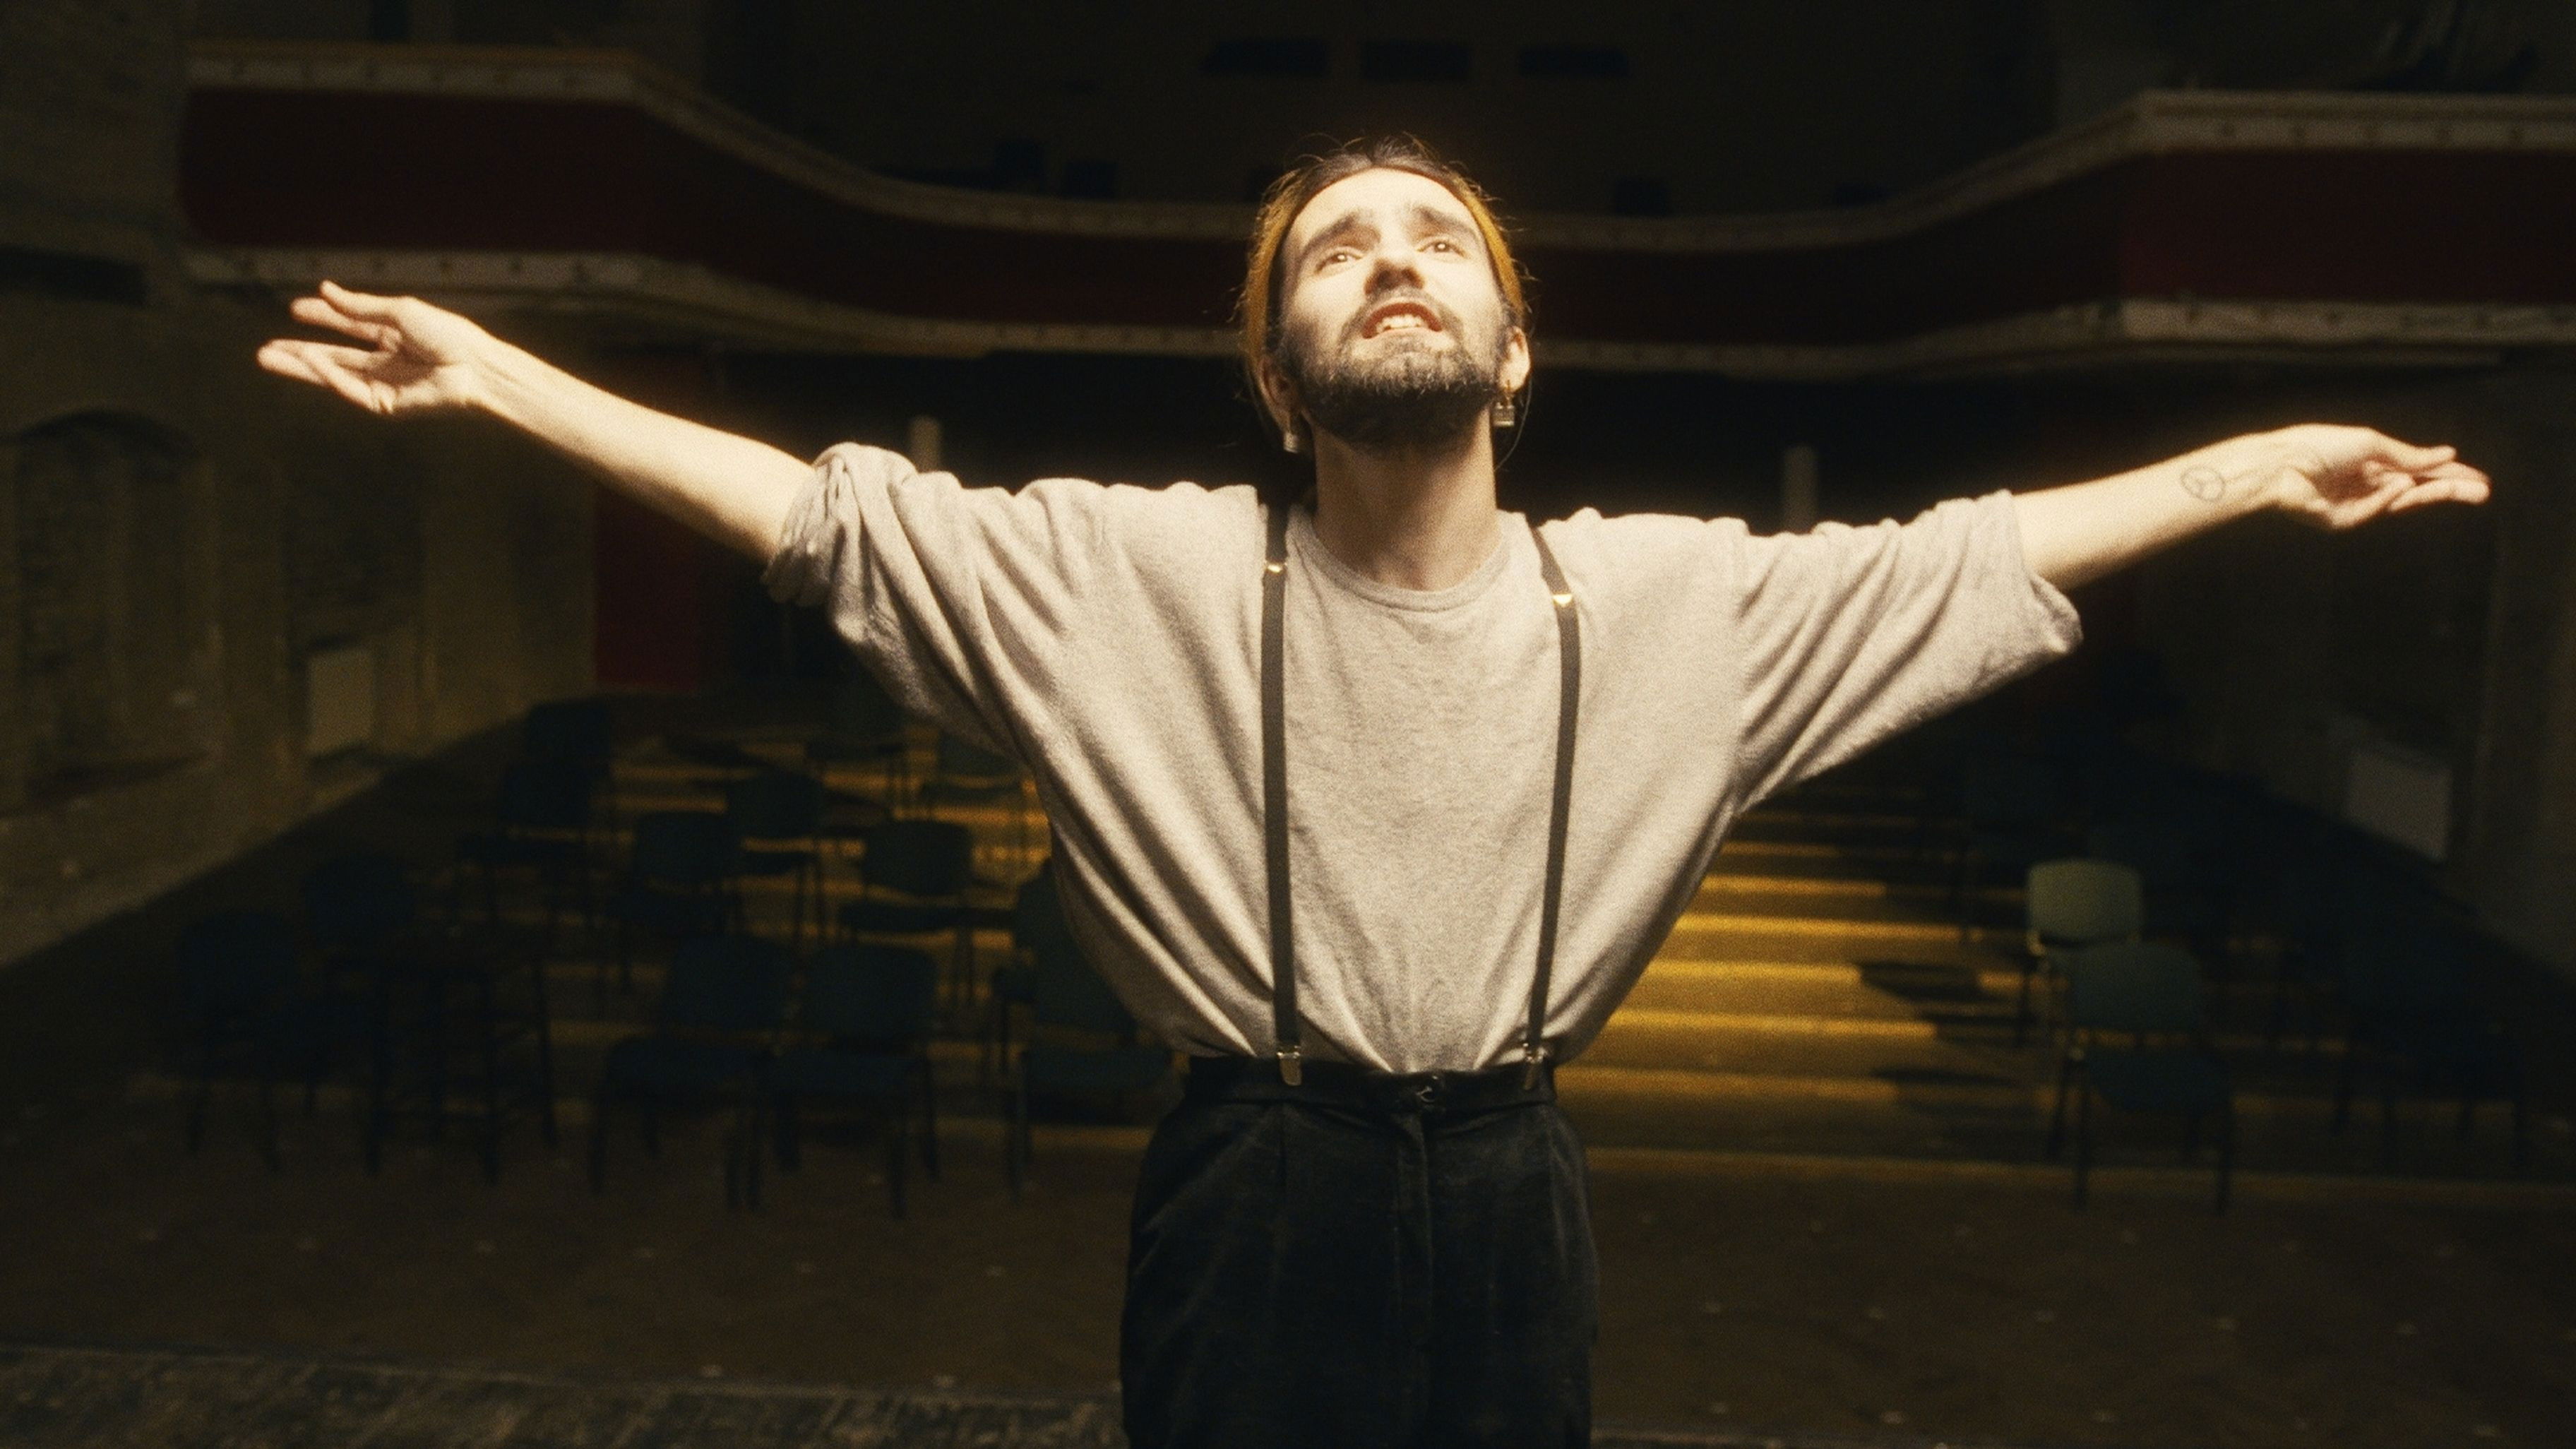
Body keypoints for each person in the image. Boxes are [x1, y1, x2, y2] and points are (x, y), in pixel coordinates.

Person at [258, 135, 2488, 1447]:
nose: (1392, 256)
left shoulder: (1673, 603)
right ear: (1276, 376)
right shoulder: (1126, 574)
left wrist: (2253, 466)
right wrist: (506, 376)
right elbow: (817, 512)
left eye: (1436, 238)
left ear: (1516, 354)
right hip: (1252, 1177)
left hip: (1514, 1180)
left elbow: (1975, 556)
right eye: (1337, 247)